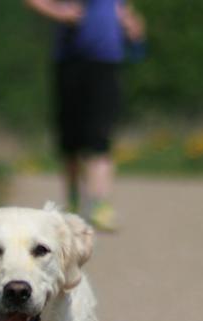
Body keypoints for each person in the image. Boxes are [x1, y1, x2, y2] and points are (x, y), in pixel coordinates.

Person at [25, 0, 145, 232]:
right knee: (71, 139)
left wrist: (131, 24)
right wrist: (58, 12)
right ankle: (72, 202)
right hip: (71, 61)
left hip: (107, 61)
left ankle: (99, 204)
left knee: (100, 134)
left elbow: (121, 8)